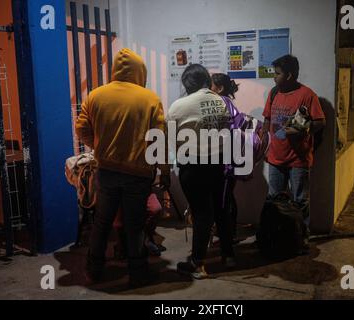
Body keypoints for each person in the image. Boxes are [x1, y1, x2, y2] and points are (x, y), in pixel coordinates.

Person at [75, 48, 170, 288]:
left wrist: (99, 145)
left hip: (106, 171)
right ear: (140, 71)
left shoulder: (96, 95)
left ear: (115, 69)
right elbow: (159, 139)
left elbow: (82, 129)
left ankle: (95, 269)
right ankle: (137, 272)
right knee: (135, 224)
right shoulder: (150, 99)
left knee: (102, 221)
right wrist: (164, 170)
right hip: (138, 173)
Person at [167, 64, 236, 279]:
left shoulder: (178, 106)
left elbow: (170, 139)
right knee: (222, 209)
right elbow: (225, 131)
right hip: (218, 163)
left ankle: (198, 264)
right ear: (206, 79)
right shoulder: (220, 101)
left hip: (192, 167)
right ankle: (228, 255)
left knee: (202, 214)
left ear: (187, 83)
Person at [261, 54, 325, 225]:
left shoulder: (307, 95)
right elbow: (267, 119)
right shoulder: (274, 93)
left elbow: (320, 122)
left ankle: (301, 238)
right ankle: (276, 236)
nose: (274, 77)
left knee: (300, 201)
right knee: (274, 200)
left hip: (299, 159)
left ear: (289, 75)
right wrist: (263, 142)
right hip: (275, 158)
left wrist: (302, 129)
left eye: (277, 73)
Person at [210, 73, 240, 243]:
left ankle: (228, 233)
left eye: (210, 86)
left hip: (226, 159)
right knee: (227, 196)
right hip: (230, 157)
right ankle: (229, 231)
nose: (208, 90)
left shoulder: (222, 103)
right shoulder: (227, 103)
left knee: (225, 198)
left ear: (219, 88)